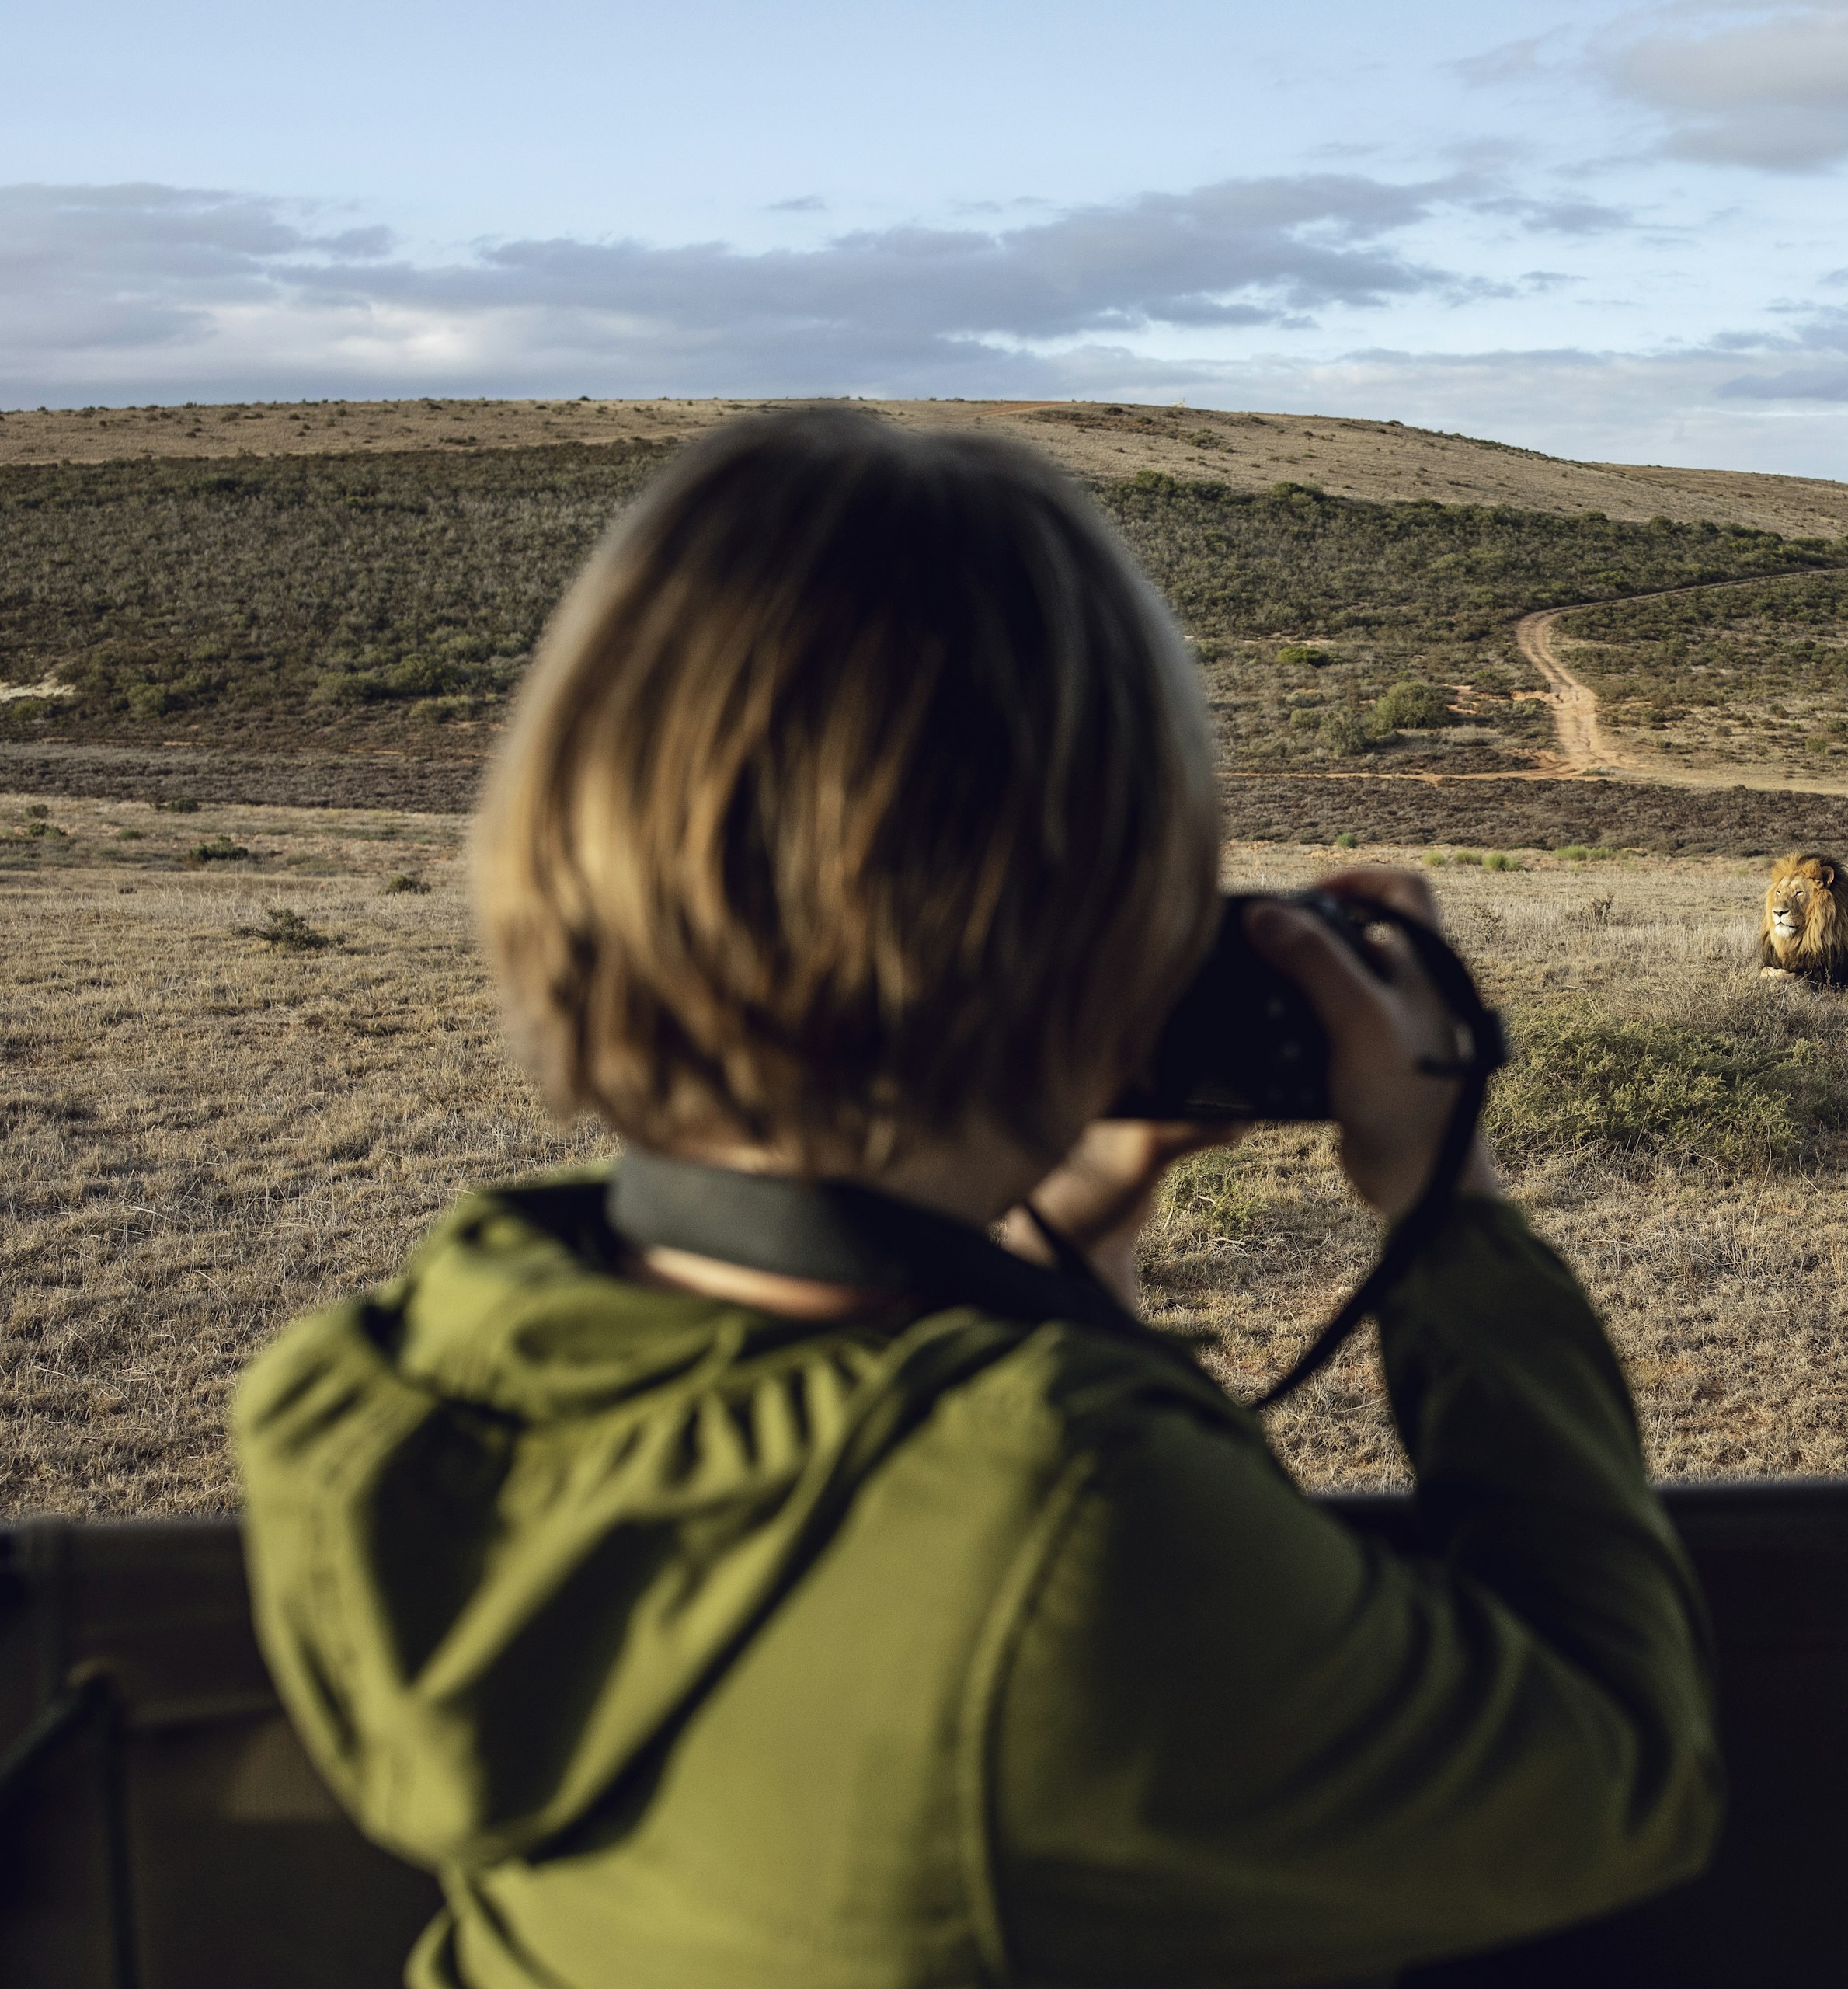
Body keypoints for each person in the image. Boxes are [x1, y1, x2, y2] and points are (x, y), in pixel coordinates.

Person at [229, 409, 1723, 1989]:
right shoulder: (1064, 1506)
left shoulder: (394, 1389)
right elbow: (1620, 1768)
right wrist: (1448, 1207)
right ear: (1117, 940)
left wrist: (1052, 1246)